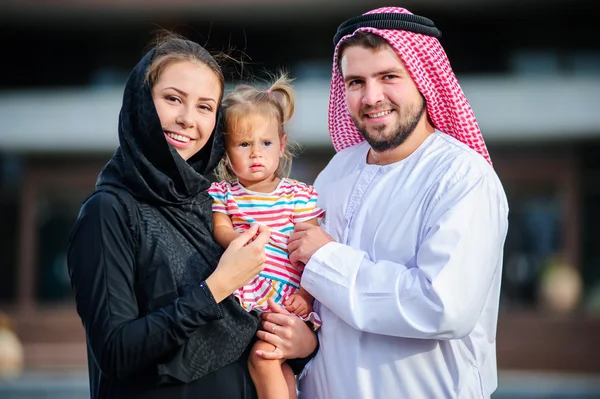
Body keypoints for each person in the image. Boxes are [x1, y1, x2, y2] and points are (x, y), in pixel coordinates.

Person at [67, 35, 317, 399]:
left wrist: (303, 343)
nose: (187, 119)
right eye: (172, 99)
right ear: (141, 100)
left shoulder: (215, 205)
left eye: (205, 107)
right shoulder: (109, 212)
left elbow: (258, 324)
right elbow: (117, 352)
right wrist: (217, 286)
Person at [289, 7, 509, 399]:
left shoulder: (462, 177)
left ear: (423, 79)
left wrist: (327, 260)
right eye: (355, 82)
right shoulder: (336, 173)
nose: (372, 97)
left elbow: (440, 305)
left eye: (389, 76)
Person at [208, 74, 323, 399]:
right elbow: (221, 228)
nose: (256, 153)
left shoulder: (298, 196)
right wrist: (239, 242)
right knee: (275, 363)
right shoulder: (224, 194)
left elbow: (311, 254)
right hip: (247, 297)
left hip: (288, 299)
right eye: (244, 144)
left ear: (282, 145)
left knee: (263, 358)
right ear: (227, 151)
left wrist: (306, 296)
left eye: (266, 143)